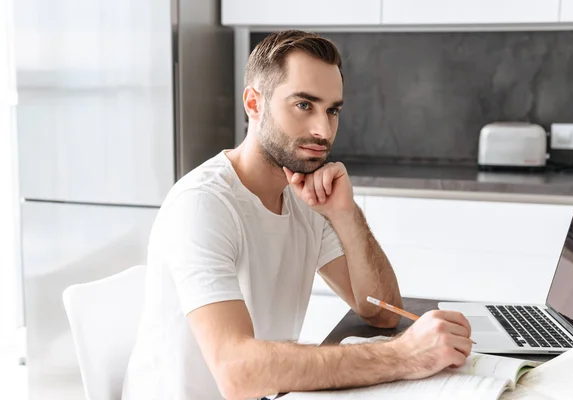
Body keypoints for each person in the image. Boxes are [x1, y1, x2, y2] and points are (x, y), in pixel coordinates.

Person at [122, 29, 472, 400]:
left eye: (332, 110)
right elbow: (237, 372)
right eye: (304, 105)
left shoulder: (303, 198)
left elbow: (380, 312)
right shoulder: (203, 204)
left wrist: (346, 213)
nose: (323, 130)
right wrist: (403, 356)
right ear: (254, 104)